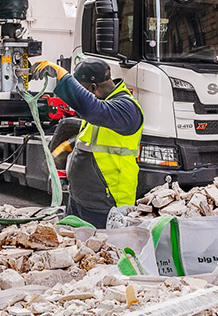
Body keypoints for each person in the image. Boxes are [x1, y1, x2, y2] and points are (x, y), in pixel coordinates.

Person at [32, 59, 144, 228]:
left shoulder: (127, 109)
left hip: (107, 204)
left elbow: (92, 110)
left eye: (83, 90)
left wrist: (63, 76)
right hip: (81, 200)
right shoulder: (106, 103)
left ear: (92, 88)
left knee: (102, 251)